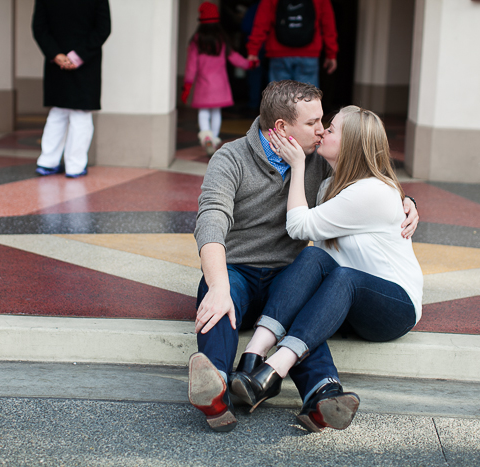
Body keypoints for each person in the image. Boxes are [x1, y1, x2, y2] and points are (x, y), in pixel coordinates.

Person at [188, 80, 419, 433]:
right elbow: (211, 221)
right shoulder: (230, 158)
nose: (322, 129)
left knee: (306, 295)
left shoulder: (318, 160)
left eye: (324, 121)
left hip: (289, 274)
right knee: (221, 297)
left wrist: (408, 202)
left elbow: (363, 177)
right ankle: (216, 384)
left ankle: (321, 394)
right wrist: (218, 284)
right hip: (238, 271)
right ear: (282, 128)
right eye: (313, 123)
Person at [32, 0, 111, 178]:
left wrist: (56, 55)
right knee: (80, 114)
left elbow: (39, 28)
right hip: (86, 62)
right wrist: (77, 56)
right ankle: (75, 166)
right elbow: (103, 29)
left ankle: (47, 162)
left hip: (56, 62)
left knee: (58, 112)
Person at [182, 2, 251, 156]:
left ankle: (206, 136)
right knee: (216, 113)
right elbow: (235, 58)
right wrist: (249, 64)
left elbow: (191, 67)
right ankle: (214, 138)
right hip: (220, 86)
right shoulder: (222, 39)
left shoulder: (197, 41)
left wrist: (186, 86)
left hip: (203, 86)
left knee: (203, 112)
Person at [245, 0, 338, 88]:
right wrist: (331, 53)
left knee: (279, 99)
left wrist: (253, 51)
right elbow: (328, 24)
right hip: (309, 53)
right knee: (307, 99)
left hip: (279, 53)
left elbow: (261, 23)